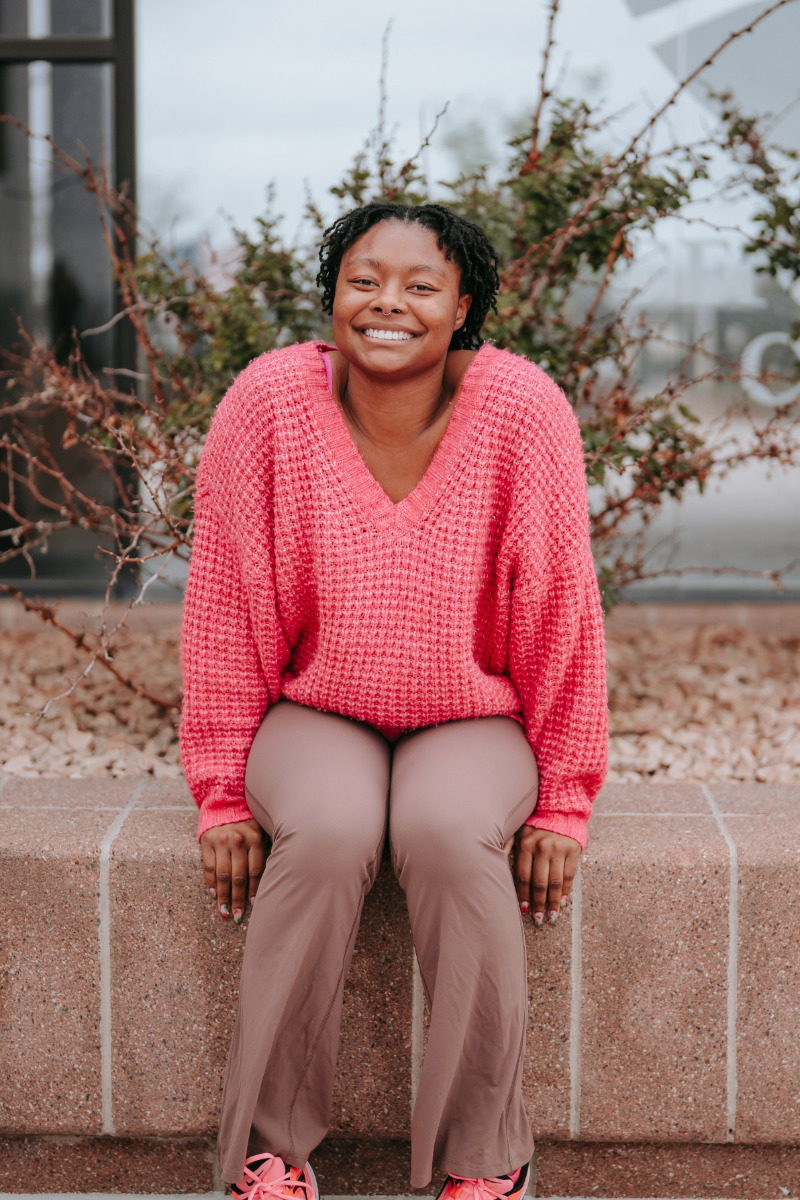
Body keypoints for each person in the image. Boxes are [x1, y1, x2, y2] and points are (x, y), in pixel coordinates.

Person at [180, 200, 608, 1200]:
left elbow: (561, 613)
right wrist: (221, 793)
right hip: (317, 709)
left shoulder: (521, 410)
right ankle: (268, 1154)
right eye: (363, 279)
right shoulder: (270, 403)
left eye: (421, 286)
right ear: (331, 295)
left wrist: (561, 803)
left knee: (449, 833)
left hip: (471, 714)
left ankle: (483, 1160)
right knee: (327, 831)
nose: (387, 304)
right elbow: (224, 602)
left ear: (462, 307)